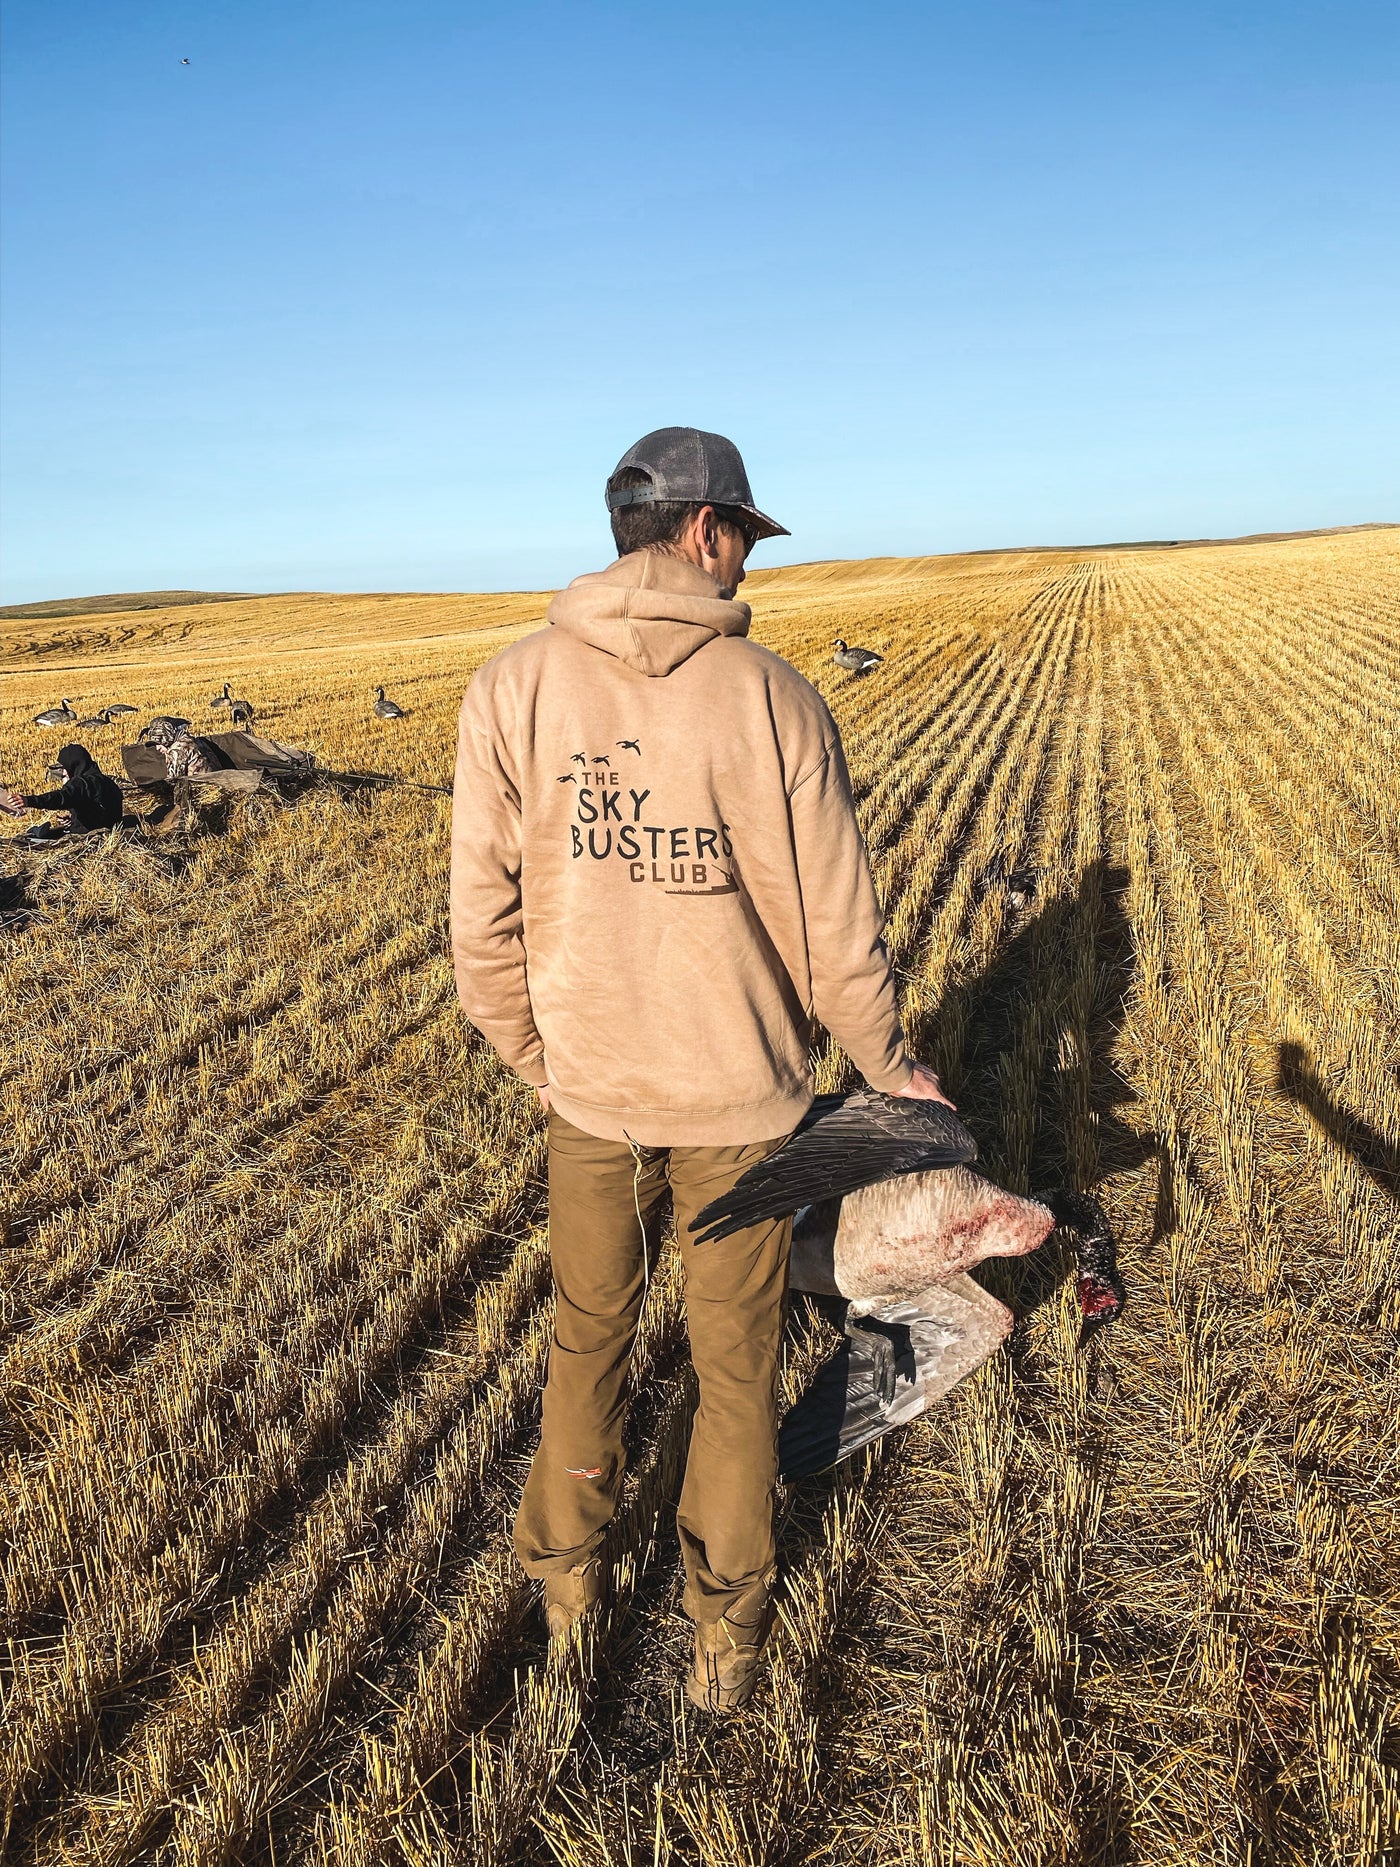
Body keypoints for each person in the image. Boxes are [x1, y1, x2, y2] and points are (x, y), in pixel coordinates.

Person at [449, 427, 954, 1712]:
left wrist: (545, 1062)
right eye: (737, 530)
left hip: (592, 1100)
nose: (743, 558)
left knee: (585, 1339)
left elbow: (479, 926)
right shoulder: (772, 696)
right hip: (742, 1104)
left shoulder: (511, 688)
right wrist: (893, 1070)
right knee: (733, 1366)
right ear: (696, 530)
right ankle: (725, 1640)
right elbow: (832, 931)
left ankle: (566, 1587)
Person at [1, 743, 125, 840]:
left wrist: (29, 800)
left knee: (32, 837)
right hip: (110, 831)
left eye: (65, 768)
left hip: (88, 836)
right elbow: (100, 809)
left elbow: (60, 797)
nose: (64, 773)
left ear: (73, 765)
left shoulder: (81, 783)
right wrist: (75, 817)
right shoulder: (106, 781)